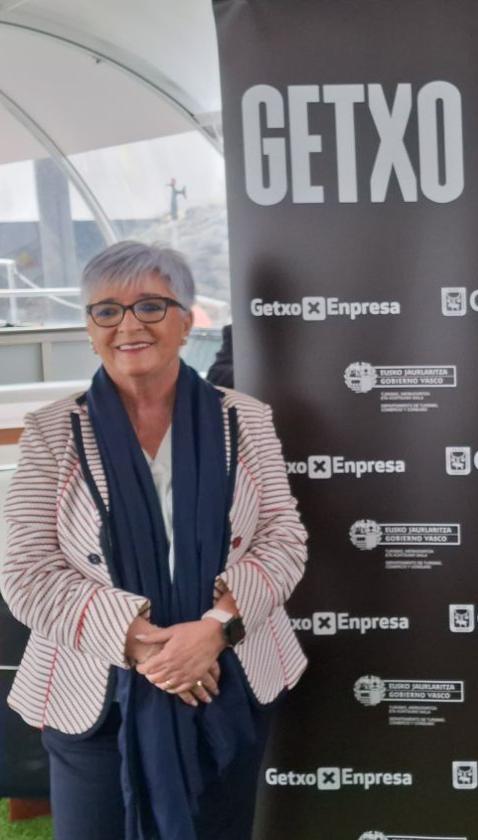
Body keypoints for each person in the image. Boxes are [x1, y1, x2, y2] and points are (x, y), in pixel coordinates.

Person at [1, 241, 308, 839]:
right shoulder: (49, 433)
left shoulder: (245, 419)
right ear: (90, 329)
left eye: (150, 305)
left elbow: (283, 539)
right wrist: (145, 645)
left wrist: (216, 629)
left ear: (187, 321)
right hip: (96, 695)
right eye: (107, 311)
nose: (128, 325)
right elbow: (27, 571)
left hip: (228, 680)